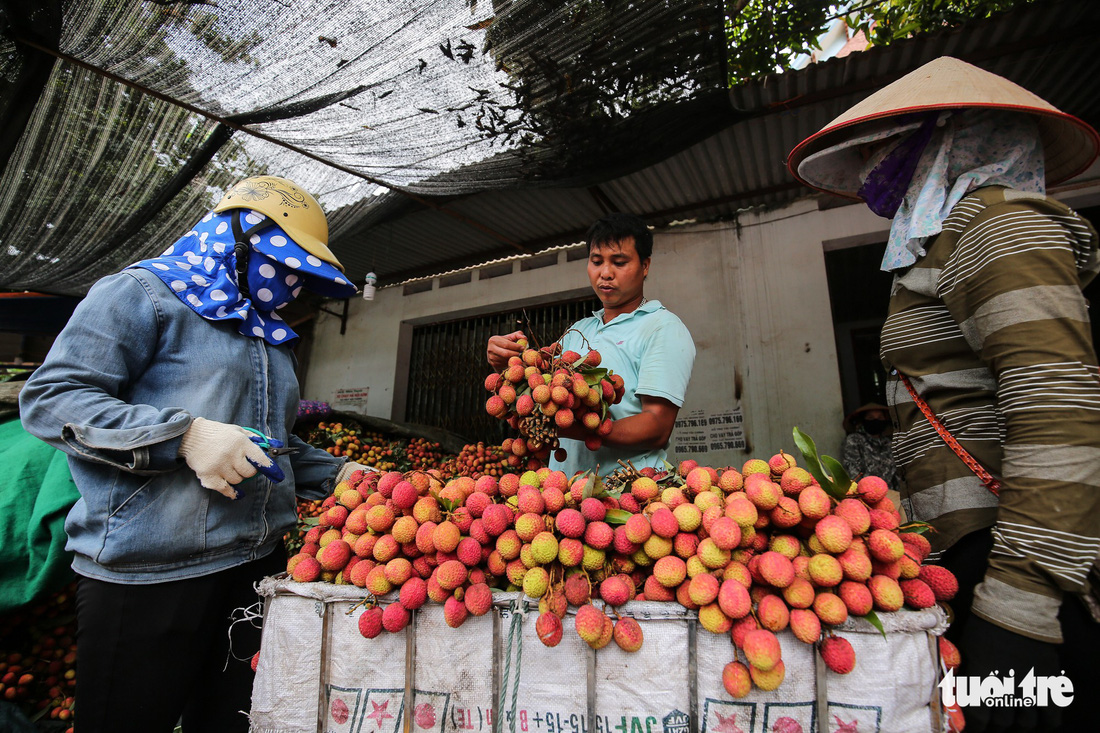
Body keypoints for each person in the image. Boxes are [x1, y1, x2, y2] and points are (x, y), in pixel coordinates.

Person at [789, 57, 1100, 731]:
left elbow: (1060, 407)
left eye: (888, 146)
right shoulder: (945, 240)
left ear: (951, 138)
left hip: (1016, 560)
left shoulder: (996, 225)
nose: (876, 164)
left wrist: (1017, 611)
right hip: (973, 553)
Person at [19, 176, 370, 733]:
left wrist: (341, 473)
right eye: (291, 269)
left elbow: (264, 445)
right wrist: (183, 437)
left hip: (253, 574)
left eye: (306, 277)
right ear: (239, 241)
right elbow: (53, 398)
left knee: (230, 724)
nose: (298, 288)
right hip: (148, 575)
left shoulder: (267, 337)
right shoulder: (142, 295)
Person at [486, 212, 696, 478]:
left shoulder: (662, 327)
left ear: (645, 266)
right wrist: (507, 360)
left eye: (619, 262)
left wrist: (569, 428)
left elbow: (657, 426)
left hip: (629, 494)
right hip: (564, 498)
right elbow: (537, 376)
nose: (605, 273)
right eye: (596, 261)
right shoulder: (579, 330)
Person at [841, 402, 898, 492]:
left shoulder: (889, 443)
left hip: (890, 495)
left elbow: (897, 476)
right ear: (863, 420)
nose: (876, 420)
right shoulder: (854, 440)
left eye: (880, 418)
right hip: (865, 495)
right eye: (870, 418)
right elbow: (854, 474)